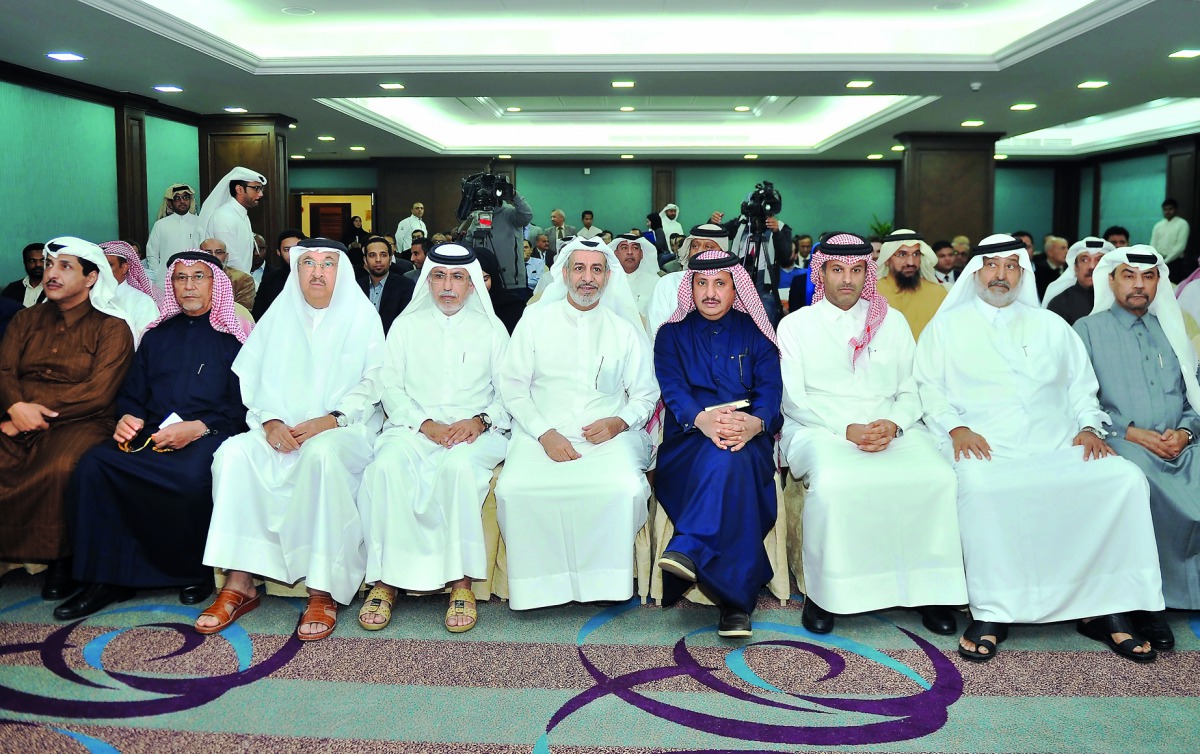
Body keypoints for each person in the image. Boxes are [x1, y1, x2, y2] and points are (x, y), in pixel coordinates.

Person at [913, 234, 1165, 664]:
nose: (1001, 275)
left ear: (1023, 274)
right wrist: (956, 428)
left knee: (1124, 480)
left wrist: (1088, 427)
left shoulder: (1051, 325)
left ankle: (1108, 606)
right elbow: (928, 390)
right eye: (991, 265)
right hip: (987, 446)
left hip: (1058, 442)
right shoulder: (946, 328)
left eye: (1011, 266)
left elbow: (1082, 387)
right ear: (975, 271)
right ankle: (995, 610)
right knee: (984, 490)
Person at [197, 239, 385, 641]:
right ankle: (240, 581)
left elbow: (374, 383)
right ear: (296, 271)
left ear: (341, 271)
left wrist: (331, 419)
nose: (317, 272)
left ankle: (322, 588)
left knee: (320, 457)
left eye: (328, 264)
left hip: (344, 431)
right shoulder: (278, 315)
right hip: (279, 431)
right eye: (308, 264)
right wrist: (269, 422)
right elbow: (254, 380)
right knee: (232, 454)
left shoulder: (362, 315)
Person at [780, 232, 966, 637]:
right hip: (822, 428)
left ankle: (931, 592)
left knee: (936, 478)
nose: (846, 279)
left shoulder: (891, 321)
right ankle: (825, 594)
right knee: (834, 485)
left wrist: (894, 423)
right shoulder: (796, 325)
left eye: (856, 270)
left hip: (891, 427)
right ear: (821, 274)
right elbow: (793, 398)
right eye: (836, 270)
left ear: (867, 272)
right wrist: (847, 428)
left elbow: (911, 387)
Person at [52, 250, 250, 619]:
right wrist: (127, 416)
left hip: (209, 433)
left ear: (215, 284)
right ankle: (106, 577)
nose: (188, 286)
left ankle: (192, 572)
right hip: (153, 434)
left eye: (198, 277)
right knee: (95, 464)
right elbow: (132, 392)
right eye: (181, 278)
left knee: (192, 477)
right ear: (171, 284)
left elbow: (245, 408)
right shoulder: (157, 335)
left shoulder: (234, 338)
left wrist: (199, 429)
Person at [495, 238, 658, 610]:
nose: (588, 279)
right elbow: (513, 387)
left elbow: (646, 395)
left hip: (608, 439)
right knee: (514, 490)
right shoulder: (535, 321)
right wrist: (544, 432)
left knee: (624, 489)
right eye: (580, 269)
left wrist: (620, 422)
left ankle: (606, 584)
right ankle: (539, 588)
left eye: (596, 269)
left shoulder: (624, 329)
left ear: (607, 277)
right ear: (565, 273)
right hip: (540, 436)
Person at [357, 244, 510, 633]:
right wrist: (424, 424)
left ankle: (461, 583)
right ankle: (386, 580)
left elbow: (509, 393)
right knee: (386, 467)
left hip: (475, 433)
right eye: (439, 276)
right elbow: (390, 387)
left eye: (458, 277)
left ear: (472, 285)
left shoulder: (492, 330)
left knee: (459, 469)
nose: (447, 286)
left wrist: (479, 421)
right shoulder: (406, 326)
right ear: (428, 281)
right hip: (413, 428)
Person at [1074, 245, 1200, 651]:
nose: (1139, 285)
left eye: (1147, 277)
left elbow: (1191, 399)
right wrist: (1131, 434)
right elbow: (1076, 402)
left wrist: (1185, 433)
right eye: (1129, 276)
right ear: (1110, 280)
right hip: (1121, 443)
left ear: (1158, 283)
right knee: (1134, 483)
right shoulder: (1086, 330)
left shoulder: (1173, 330)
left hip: (1178, 443)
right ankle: (1148, 605)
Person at [654, 250, 782, 637]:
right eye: (701, 283)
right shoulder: (670, 334)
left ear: (734, 288)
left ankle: (690, 546)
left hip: (748, 437)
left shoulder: (756, 332)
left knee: (732, 459)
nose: (710, 293)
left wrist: (754, 424)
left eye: (720, 284)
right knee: (726, 462)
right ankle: (736, 604)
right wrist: (703, 420)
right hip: (688, 439)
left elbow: (771, 392)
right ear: (689, 287)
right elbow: (673, 390)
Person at [0, 237, 135, 600]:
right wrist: (15, 408)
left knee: (61, 466)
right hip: (17, 413)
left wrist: (31, 412)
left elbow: (98, 392)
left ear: (92, 277)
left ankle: (61, 558)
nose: (52, 274)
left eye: (65, 266)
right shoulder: (25, 319)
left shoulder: (112, 327)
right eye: (48, 266)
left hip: (84, 420)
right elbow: (5, 370)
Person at [647, 225, 731, 334]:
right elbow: (656, 327)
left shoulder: (732, 285)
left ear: (721, 252)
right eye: (695, 246)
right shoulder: (668, 283)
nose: (699, 251)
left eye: (708, 247)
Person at [456, 184, 534, 297]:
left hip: (512, 283)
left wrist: (513, 194)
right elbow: (468, 247)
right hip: (484, 283)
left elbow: (527, 215)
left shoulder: (510, 213)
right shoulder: (477, 218)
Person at [874, 230, 948, 340]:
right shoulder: (873, 292)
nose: (911, 262)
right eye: (902, 254)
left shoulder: (938, 293)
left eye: (916, 254)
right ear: (887, 260)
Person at [198, 166, 266, 273]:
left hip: (239, 281)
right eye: (256, 188)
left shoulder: (241, 215)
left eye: (261, 189)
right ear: (239, 189)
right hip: (230, 283)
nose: (261, 194)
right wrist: (249, 284)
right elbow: (231, 261)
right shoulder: (225, 216)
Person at [1042, 237, 1115, 325]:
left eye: (1099, 260)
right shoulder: (1059, 304)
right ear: (1075, 268)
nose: (1092, 266)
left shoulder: (1122, 301)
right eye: (1084, 260)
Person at [99, 241, 161, 346]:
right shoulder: (91, 297)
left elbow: (147, 344)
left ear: (124, 268)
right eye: (100, 266)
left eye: (109, 265)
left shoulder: (142, 302)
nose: (102, 270)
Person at [145, 183, 203, 289]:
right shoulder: (160, 225)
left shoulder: (200, 223)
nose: (182, 201)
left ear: (190, 200)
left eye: (185, 197)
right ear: (170, 203)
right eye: (177, 198)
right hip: (166, 279)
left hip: (195, 278)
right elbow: (152, 253)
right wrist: (158, 273)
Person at [358, 236, 415, 334]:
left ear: (390, 259)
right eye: (372, 255)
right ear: (365, 260)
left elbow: (406, 325)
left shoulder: (406, 286)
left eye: (383, 255)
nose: (378, 260)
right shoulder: (356, 287)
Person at [251, 229, 306, 321]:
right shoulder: (270, 280)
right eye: (287, 250)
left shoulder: (316, 277)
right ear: (279, 252)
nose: (293, 253)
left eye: (297, 249)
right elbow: (258, 316)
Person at [610, 234, 661, 329]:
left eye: (634, 248)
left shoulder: (656, 282)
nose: (629, 252)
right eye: (624, 248)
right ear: (615, 253)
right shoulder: (606, 281)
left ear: (641, 254)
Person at [198, 238, 257, 312]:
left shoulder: (243, 280)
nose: (213, 256)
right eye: (208, 252)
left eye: (218, 252)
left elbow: (242, 312)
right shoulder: (190, 278)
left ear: (226, 256)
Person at [1151, 198, 1191, 281]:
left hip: (1175, 263)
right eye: (1165, 209)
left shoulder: (1182, 224)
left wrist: (1165, 261)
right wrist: (1156, 260)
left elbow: (1180, 247)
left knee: (1173, 287)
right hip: (1159, 261)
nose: (1167, 212)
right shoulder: (1158, 225)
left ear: (1175, 210)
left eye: (1170, 209)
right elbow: (1153, 244)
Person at [2, 243, 46, 307]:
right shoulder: (12, 289)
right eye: (32, 261)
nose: (38, 265)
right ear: (25, 263)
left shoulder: (56, 288)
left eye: (42, 260)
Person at [1032, 235, 1068, 299]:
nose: (1067, 251)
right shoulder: (1038, 271)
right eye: (1063, 248)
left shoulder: (1071, 269)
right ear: (1050, 252)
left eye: (1067, 248)